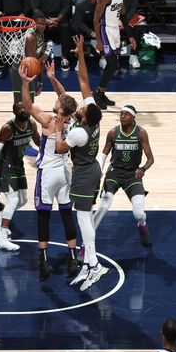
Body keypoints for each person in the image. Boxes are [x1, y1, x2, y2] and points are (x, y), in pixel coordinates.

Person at [53, 35, 107, 292]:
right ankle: (88, 264)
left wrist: (57, 128)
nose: (80, 109)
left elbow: (59, 148)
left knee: (84, 219)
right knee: (83, 218)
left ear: (84, 119)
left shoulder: (80, 133)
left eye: (81, 112)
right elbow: (84, 80)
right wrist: (81, 54)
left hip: (85, 173)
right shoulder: (93, 116)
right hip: (90, 169)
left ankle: (94, 265)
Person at [18, 61, 81, 281]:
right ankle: (73, 257)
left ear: (61, 109)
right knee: (66, 214)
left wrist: (25, 83)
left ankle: (43, 262)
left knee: (43, 217)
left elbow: (27, 106)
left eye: (57, 102)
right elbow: (66, 98)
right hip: (65, 173)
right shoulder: (73, 121)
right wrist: (53, 78)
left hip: (47, 174)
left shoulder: (49, 122)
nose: (56, 99)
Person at [0, 102, 40, 251]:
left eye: (25, 108)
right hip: (5, 167)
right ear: (15, 112)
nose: (24, 110)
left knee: (23, 200)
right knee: (13, 199)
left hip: (18, 166)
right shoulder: (8, 128)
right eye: (20, 109)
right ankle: (1, 238)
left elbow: (39, 142)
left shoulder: (31, 124)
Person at [95, 104, 155, 244]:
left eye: (125, 114)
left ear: (133, 117)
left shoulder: (141, 133)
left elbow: (151, 159)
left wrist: (143, 169)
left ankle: (142, 225)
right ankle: (87, 243)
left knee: (139, 214)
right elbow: (104, 154)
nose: (122, 116)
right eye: (121, 113)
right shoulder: (113, 132)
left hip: (132, 175)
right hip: (114, 173)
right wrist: (97, 172)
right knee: (103, 207)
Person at [92, 0, 136, 108]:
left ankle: (100, 92)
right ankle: (98, 94)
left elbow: (123, 16)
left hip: (115, 30)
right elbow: (95, 19)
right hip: (105, 30)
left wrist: (130, 35)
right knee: (112, 63)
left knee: (114, 65)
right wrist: (98, 40)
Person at [30, 0, 72, 68]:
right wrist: (45, 21)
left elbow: (66, 5)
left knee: (66, 27)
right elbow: (35, 8)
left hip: (59, 17)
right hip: (43, 18)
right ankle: (39, 58)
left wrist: (58, 18)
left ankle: (64, 58)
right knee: (38, 27)